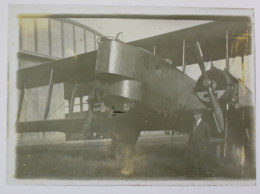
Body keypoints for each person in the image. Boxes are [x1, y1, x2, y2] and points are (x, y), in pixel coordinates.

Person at [186, 109, 211, 176]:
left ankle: (202, 173)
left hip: (200, 145)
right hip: (192, 145)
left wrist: (204, 144)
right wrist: (189, 144)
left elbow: (208, 136)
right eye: (193, 115)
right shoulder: (193, 124)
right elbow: (191, 135)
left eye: (196, 115)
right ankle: (191, 173)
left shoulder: (205, 124)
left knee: (201, 159)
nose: (194, 116)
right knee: (191, 159)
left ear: (200, 115)